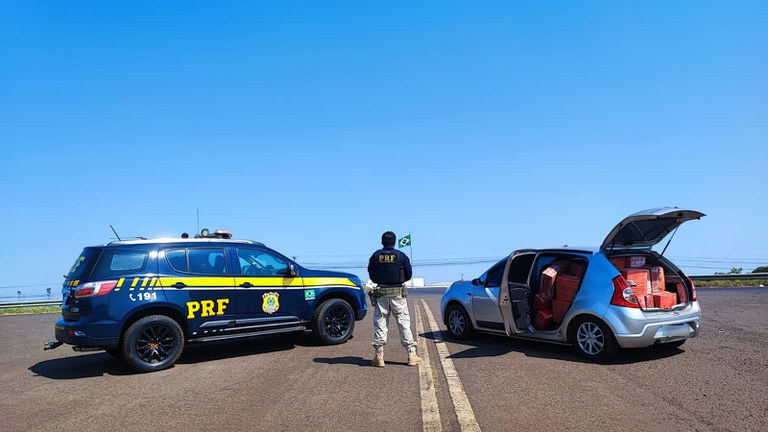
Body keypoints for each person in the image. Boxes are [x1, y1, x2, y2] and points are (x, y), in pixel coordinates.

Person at [367, 231, 423, 367]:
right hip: (398, 294)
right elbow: (409, 274)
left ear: (382, 242)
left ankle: (379, 357)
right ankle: (411, 355)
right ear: (394, 242)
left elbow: (371, 273)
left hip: (381, 294)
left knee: (380, 324)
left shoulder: (375, 256)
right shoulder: (401, 256)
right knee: (404, 323)